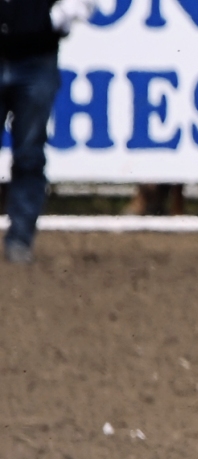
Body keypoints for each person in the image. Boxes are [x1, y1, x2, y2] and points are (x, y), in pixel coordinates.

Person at [0, 0, 95, 263]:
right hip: (36, 57)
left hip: (37, 58)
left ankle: (20, 239)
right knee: (29, 155)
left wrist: (52, 18)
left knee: (30, 155)